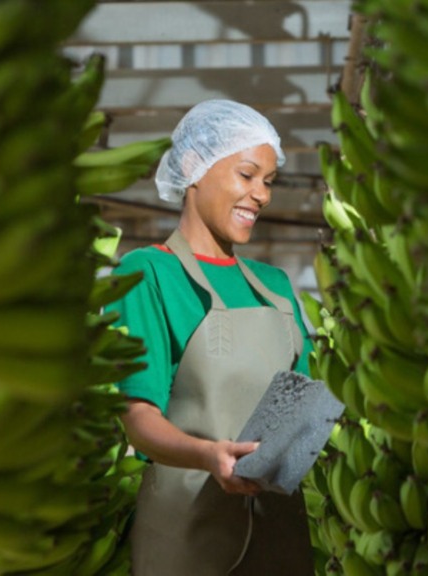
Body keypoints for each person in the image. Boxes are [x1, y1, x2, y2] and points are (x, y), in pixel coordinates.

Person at [107, 99, 315, 575]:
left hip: (279, 534)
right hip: (188, 534)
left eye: (268, 181)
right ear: (191, 168)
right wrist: (208, 456)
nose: (261, 195)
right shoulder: (147, 274)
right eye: (246, 175)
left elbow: (299, 409)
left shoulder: (276, 288)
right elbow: (138, 416)